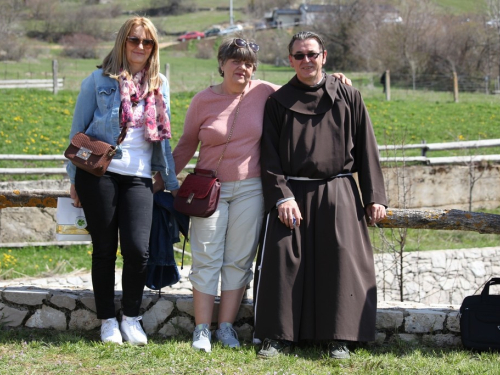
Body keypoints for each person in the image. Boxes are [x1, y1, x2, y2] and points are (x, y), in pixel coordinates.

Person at [172, 37, 352, 353]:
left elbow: (307, 80)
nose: (243, 68)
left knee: (239, 260)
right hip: (209, 191)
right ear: (222, 64)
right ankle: (202, 329)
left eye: (249, 64)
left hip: (251, 189)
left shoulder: (266, 92)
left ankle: (225, 328)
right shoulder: (203, 100)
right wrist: (163, 178)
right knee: (206, 258)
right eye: (236, 61)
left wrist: (335, 79)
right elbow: (187, 143)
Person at [253, 31, 387, 359]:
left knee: (340, 259)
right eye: (299, 55)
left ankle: (339, 337)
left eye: (312, 54)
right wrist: (282, 196)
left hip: (338, 189)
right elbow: (268, 157)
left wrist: (375, 196)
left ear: (324, 56)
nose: (306, 60)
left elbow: (367, 148)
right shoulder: (278, 101)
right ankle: (278, 336)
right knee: (284, 260)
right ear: (290, 60)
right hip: (292, 193)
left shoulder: (348, 96)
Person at [66, 16, 179, 345]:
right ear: (123, 42)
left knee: (137, 250)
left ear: (154, 47)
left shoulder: (160, 84)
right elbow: (78, 131)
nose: (140, 47)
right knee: (103, 249)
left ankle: (131, 316)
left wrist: (168, 178)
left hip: (140, 177)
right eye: (134, 40)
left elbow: (164, 138)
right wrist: (74, 179)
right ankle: (107, 321)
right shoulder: (98, 80)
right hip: (99, 174)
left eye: (147, 42)